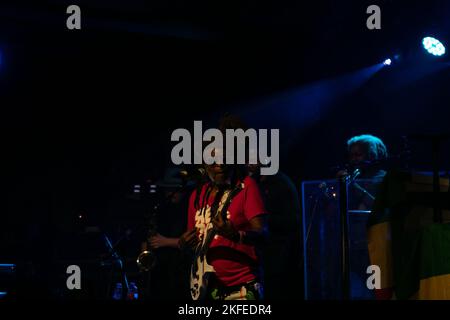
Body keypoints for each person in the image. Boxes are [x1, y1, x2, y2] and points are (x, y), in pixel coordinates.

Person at [179, 146, 268, 300]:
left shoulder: (245, 186)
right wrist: (184, 244)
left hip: (242, 284)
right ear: (205, 164)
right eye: (213, 161)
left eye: (224, 159)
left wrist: (236, 235)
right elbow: (196, 245)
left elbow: (264, 234)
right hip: (209, 287)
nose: (219, 164)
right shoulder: (197, 196)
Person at [140, 167, 193, 300]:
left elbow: (194, 239)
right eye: (168, 189)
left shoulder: (189, 208)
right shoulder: (161, 208)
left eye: (175, 190)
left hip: (180, 269)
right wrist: (145, 250)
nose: (171, 193)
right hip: (160, 268)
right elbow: (150, 233)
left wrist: (165, 241)